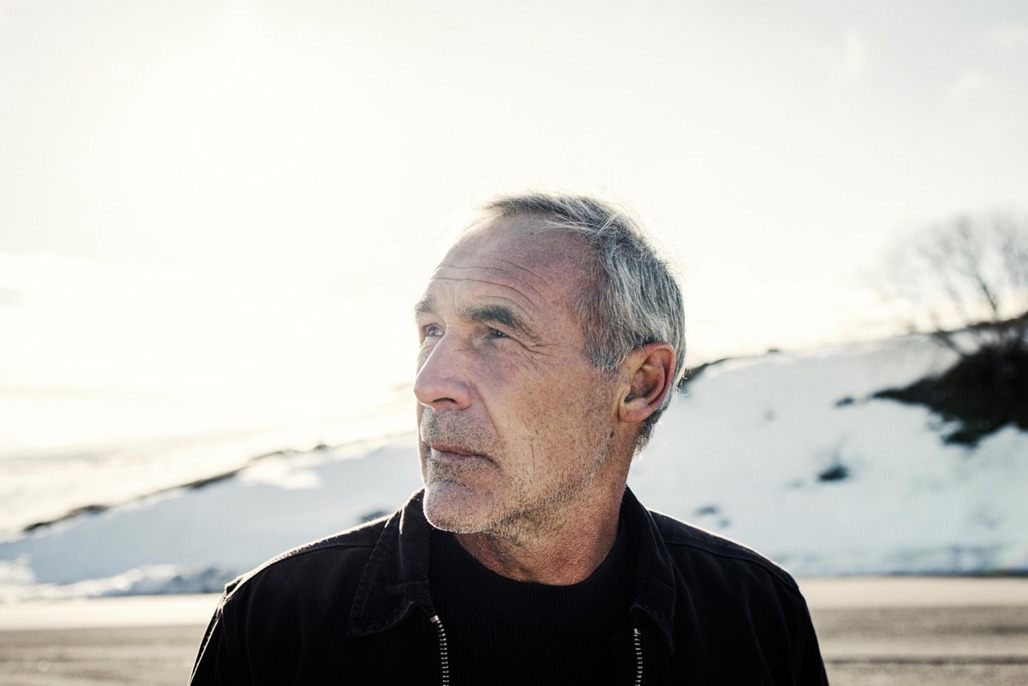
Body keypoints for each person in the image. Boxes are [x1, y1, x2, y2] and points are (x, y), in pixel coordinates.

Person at [189, 192, 829, 684]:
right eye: (432, 331)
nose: (430, 384)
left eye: (496, 334)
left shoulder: (753, 616)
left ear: (639, 384)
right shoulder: (280, 622)